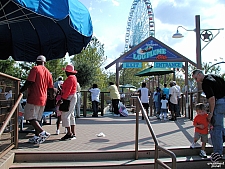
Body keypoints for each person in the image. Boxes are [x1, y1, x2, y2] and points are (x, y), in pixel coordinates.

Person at [192, 69, 225, 162]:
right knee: (220, 127)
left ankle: (218, 153)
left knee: (216, 128)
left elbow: (212, 99)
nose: (196, 81)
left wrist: (210, 113)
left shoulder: (205, 83)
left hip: (219, 103)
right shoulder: (216, 77)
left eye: (195, 78)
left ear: (199, 75)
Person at [20, 55, 54, 144]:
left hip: (34, 97)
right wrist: (51, 96)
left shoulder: (35, 69)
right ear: (45, 62)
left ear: (36, 61)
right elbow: (51, 88)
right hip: (43, 99)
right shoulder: (48, 72)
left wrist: (20, 90)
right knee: (37, 119)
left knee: (30, 117)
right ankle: (37, 137)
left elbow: (30, 81)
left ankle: (43, 133)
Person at [60, 64, 78, 140]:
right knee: (71, 115)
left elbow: (68, 90)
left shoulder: (70, 78)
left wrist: (63, 98)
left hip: (69, 97)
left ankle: (69, 133)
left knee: (65, 115)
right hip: (73, 96)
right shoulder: (74, 77)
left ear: (68, 71)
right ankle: (73, 132)